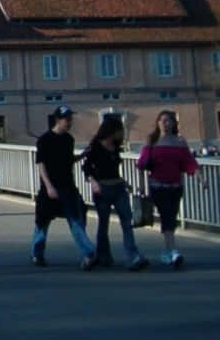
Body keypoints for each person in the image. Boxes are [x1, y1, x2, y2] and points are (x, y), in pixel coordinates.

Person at [137, 109, 209, 267]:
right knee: (167, 216)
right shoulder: (152, 141)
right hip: (157, 186)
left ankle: (167, 252)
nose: (165, 123)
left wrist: (201, 179)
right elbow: (142, 164)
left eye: (168, 120)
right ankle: (174, 251)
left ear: (173, 123)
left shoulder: (179, 141)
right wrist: (141, 186)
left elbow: (189, 162)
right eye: (162, 120)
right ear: (157, 123)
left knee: (171, 217)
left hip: (176, 186)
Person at [32, 105, 96, 269]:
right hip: (50, 188)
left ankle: (88, 252)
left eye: (70, 119)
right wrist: (48, 186)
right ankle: (37, 253)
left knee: (75, 219)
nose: (69, 122)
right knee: (43, 222)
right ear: (58, 120)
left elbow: (67, 160)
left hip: (68, 186)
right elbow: (41, 164)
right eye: (66, 119)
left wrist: (81, 155)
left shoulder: (69, 139)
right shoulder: (45, 139)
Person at [83, 115, 148, 271]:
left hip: (118, 188)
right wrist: (93, 182)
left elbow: (112, 170)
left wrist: (125, 183)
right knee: (103, 224)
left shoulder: (116, 147)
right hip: (102, 189)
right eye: (120, 131)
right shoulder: (96, 147)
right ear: (112, 131)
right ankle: (103, 255)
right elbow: (86, 167)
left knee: (127, 222)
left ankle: (133, 256)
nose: (122, 134)